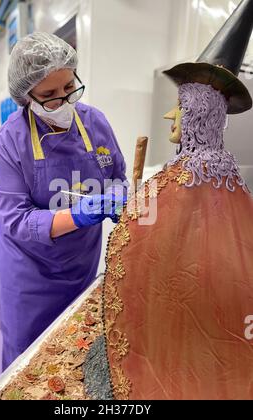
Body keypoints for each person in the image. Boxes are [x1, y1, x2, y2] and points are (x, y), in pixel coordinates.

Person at [85, 0, 253, 400]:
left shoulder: (182, 177)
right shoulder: (230, 176)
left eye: (180, 106)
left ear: (198, 112)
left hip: (179, 325)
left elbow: (142, 248)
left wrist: (132, 213)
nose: (169, 116)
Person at [0, 32, 127, 370]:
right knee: (28, 361)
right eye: (49, 96)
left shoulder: (95, 123)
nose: (64, 102)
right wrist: (78, 215)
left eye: (69, 88)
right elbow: (16, 220)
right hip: (30, 275)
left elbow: (119, 176)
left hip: (80, 264)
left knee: (73, 350)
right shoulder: (11, 141)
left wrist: (118, 194)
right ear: (27, 96)